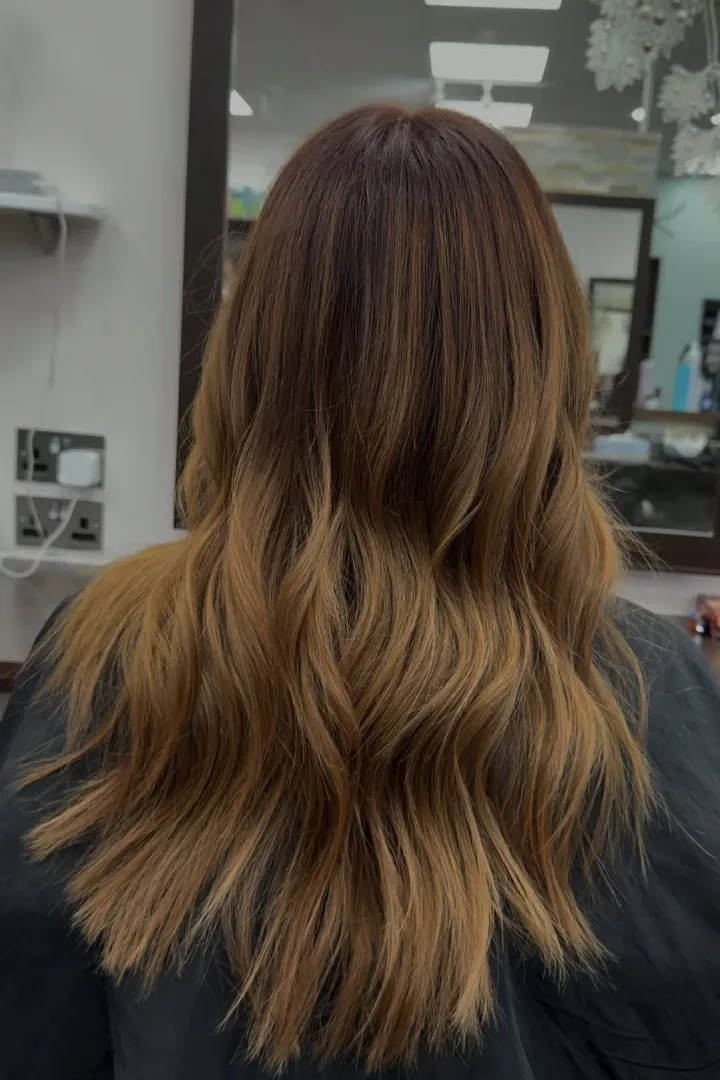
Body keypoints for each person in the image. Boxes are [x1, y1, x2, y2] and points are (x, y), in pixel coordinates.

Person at [1, 105, 719, 1080]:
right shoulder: (657, 688)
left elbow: (34, 1017)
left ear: (254, 352)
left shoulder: (107, 652)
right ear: (548, 366)